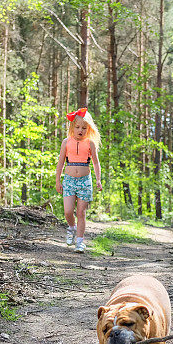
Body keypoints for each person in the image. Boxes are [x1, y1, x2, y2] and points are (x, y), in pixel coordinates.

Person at [55, 108, 103, 253]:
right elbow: (60, 163)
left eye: (84, 128)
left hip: (85, 181)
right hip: (69, 181)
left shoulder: (90, 143)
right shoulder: (66, 142)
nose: (80, 130)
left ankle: (80, 242)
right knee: (68, 211)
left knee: (81, 212)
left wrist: (98, 180)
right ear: (72, 127)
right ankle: (71, 227)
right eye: (77, 127)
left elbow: (96, 163)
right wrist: (58, 180)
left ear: (88, 129)